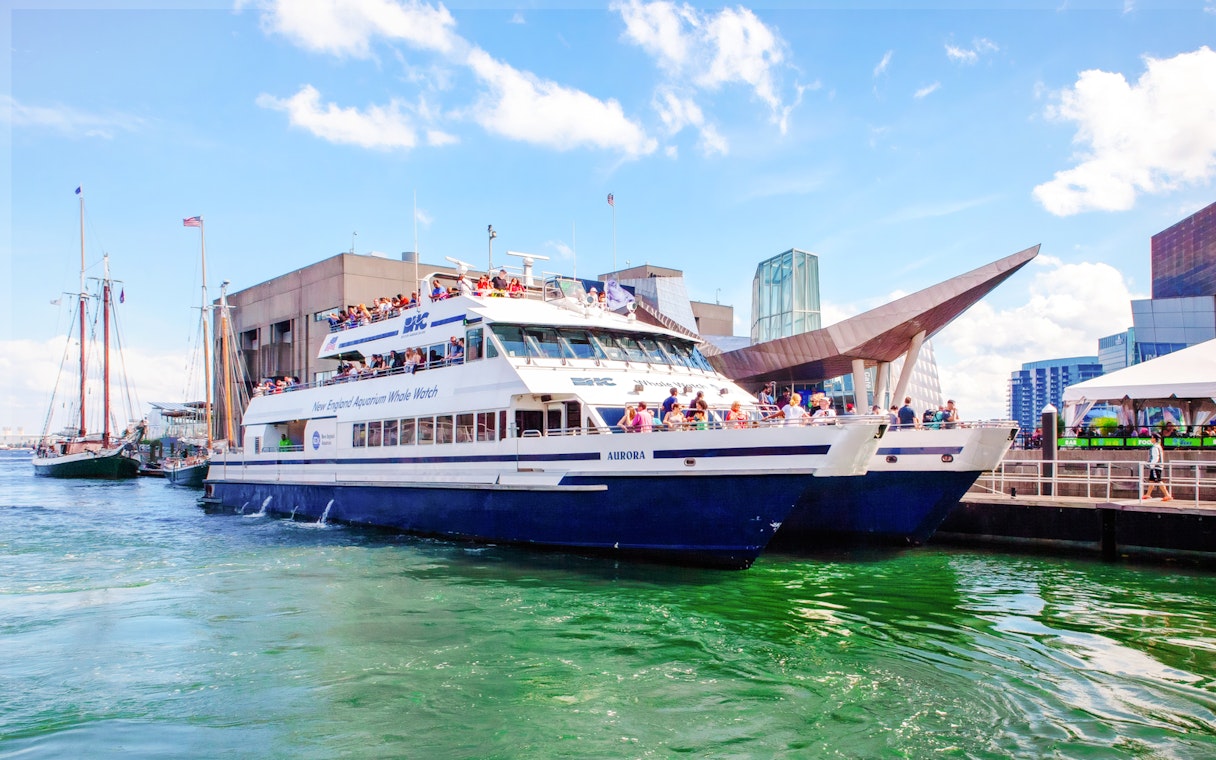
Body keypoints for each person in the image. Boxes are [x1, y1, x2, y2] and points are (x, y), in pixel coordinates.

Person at [1143, 432, 1173, 501]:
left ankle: (1167, 495)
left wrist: (1151, 465)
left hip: (1155, 466)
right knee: (1151, 480)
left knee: (1158, 480)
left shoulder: (1155, 447)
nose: (1151, 439)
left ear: (1154, 439)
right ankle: (1148, 494)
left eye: (1152, 437)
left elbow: (1155, 457)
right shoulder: (1159, 446)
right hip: (1157, 466)